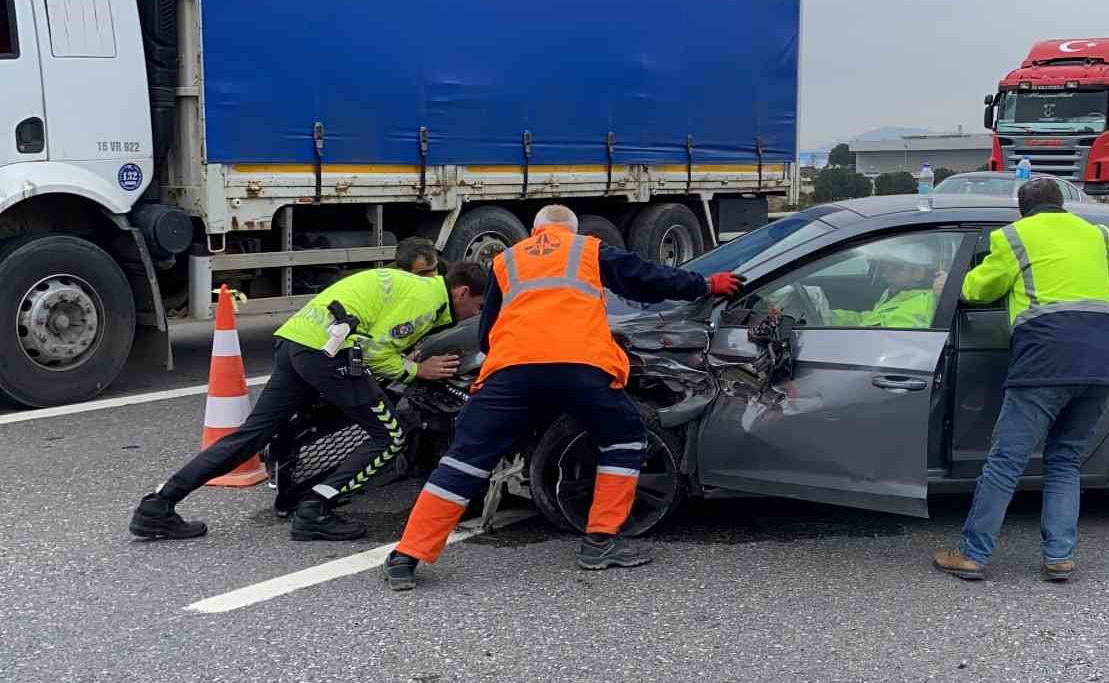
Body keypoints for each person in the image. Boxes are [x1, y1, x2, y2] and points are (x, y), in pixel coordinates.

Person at [381, 205, 745, 590]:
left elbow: (487, 332)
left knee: (465, 458)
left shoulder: (507, 260)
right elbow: (649, 278)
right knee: (624, 438)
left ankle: (407, 556)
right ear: (571, 230)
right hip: (581, 367)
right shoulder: (589, 249)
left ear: (535, 231)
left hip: (513, 370)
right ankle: (601, 541)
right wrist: (706, 285)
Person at [128, 263, 489, 543]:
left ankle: (158, 504)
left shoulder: (418, 287)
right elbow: (377, 351)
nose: (478, 315)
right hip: (327, 352)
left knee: (252, 435)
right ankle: (315, 509)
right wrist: (417, 370)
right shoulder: (427, 302)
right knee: (391, 435)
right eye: (479, 305)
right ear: (461, 293)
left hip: (297, 340)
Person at [933, 178, 1109, 582]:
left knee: (1005, 462)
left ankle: (972, 553)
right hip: (1103, 362)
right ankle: (1058, 556)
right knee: (1065, 459)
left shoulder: (1012, 237)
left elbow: (979, 289)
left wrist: (945, 285)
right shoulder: (1098, 234)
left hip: (1045, 360)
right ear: (1062, 206)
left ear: (1022, 210)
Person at [827, 240, 948, 328]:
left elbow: (881, 335)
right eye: (885, 267)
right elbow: (869, 319)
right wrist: (828, 316)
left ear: (918, 273)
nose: (884, 274)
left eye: (894, 268)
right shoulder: (894, 293)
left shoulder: (924, 305)